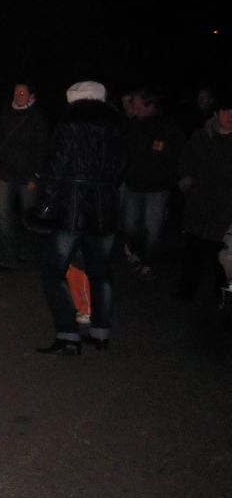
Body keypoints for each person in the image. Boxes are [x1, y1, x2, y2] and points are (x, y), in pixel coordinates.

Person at [37, 80, 125, 355]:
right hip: (105, 206)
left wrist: (45, 205)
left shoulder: (69, 125)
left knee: (53, 270)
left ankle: (68, 334)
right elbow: (122, 167)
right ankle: (100, 333)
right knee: (101, 271)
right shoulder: (117, 127)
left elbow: (56, 168)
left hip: (72, 207)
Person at [0, 81, 51, 271]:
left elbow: (42, 148)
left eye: (22, 93)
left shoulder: (37, 117)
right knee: (4, 215)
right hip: (5, 172)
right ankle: (8, 256)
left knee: (28, 215)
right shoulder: (6, 113)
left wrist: (35, 175)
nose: (18, 96)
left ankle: (26, 250)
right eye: (16, 92)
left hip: (27, 174)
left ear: (31, 96)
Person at [118, 86, 185, 281]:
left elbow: (178, 156)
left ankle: (148, 263)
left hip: (157, 188)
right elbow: (123, 151)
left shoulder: (168, 128)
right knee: (130, 224)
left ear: (151, 106)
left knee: (152, 228)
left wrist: (172, 177)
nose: (135, 111)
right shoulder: (132, 126)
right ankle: (135, 253)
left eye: (138, 107)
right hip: (133, 184)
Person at [172, 91, 232, 303]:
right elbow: (186, 159)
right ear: (216, 113)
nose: (229, 116)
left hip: (226, 208)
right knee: (193, 250)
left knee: (224, 254)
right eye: (225, 111)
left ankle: (222, 295)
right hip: (200, 202)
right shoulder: (200, 136)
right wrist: (186, 178)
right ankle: (186, 292)